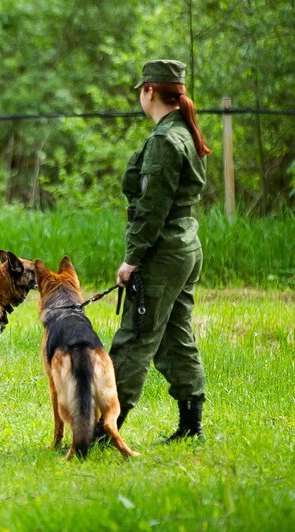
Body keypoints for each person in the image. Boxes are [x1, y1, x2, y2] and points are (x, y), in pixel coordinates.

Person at [106, 59, 211, 442]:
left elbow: (152, 208)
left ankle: (104, 429)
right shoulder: (182, 131)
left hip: (163, 250)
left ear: (149, 90)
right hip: (184, 243)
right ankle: (191, 423)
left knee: (135, 337)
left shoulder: (166, 140)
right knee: (175, 335)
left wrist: (132, 259)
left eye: (140, 89)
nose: (139, 95)